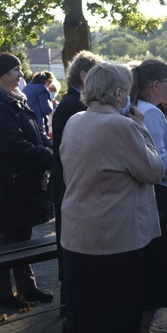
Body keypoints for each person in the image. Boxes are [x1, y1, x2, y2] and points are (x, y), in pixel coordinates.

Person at [59, 62, 164, 333]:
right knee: (116, 316)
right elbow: (153, 171)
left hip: (77, 233)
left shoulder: (75, 120)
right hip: (115, 238)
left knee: (84, 314)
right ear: (119, 94)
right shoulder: (122, 126)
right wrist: (141, 127)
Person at [0, 53, 54, 309]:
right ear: (2, 75)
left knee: (21, 238)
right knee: (5, 241)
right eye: (16, 70)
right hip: (6, 183)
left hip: (18, 182)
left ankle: (27, 289)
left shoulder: (12, 100)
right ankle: (2, 295)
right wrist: (50, 156)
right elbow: (14, 146)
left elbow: (33, 136)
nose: (21, 74)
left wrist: (49, 148)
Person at [131, 59, 167, 333]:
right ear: (155, 85)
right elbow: (159, 163)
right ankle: (142, 330)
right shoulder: (150, 113)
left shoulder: (137, 109)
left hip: (145, 195)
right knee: (156, 266)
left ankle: (141, 328)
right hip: (159, 195)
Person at [50, 50, 102, 309]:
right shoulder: (74, 105)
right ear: (84, 75)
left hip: (66, 183)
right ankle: (71, 311)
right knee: (70, 250)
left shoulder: (70, 103)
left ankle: (69, 309)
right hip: (68, 184)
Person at [22, 71, 55, 135]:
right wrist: (52, 104)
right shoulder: (41, 88)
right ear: (46, 81)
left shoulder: (28, 86)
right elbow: (46, 109)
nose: (49, 86)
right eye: (50, 83)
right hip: (38, 122)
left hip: (26, 121)